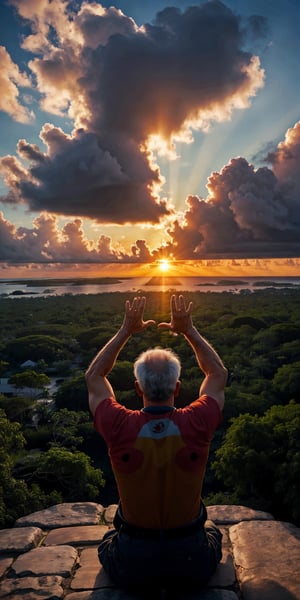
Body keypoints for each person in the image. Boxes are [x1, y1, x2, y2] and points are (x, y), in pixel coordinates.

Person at [85, 294, 228, 596]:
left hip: (133, 563)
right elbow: (217, 374)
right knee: (212, 530)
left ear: (137, 388)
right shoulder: (198, 422)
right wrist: (188, 329)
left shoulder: (118, 424)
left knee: (111, 537)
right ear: (178, 387)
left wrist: (126, 329)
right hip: (192, 561)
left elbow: (94, 375)